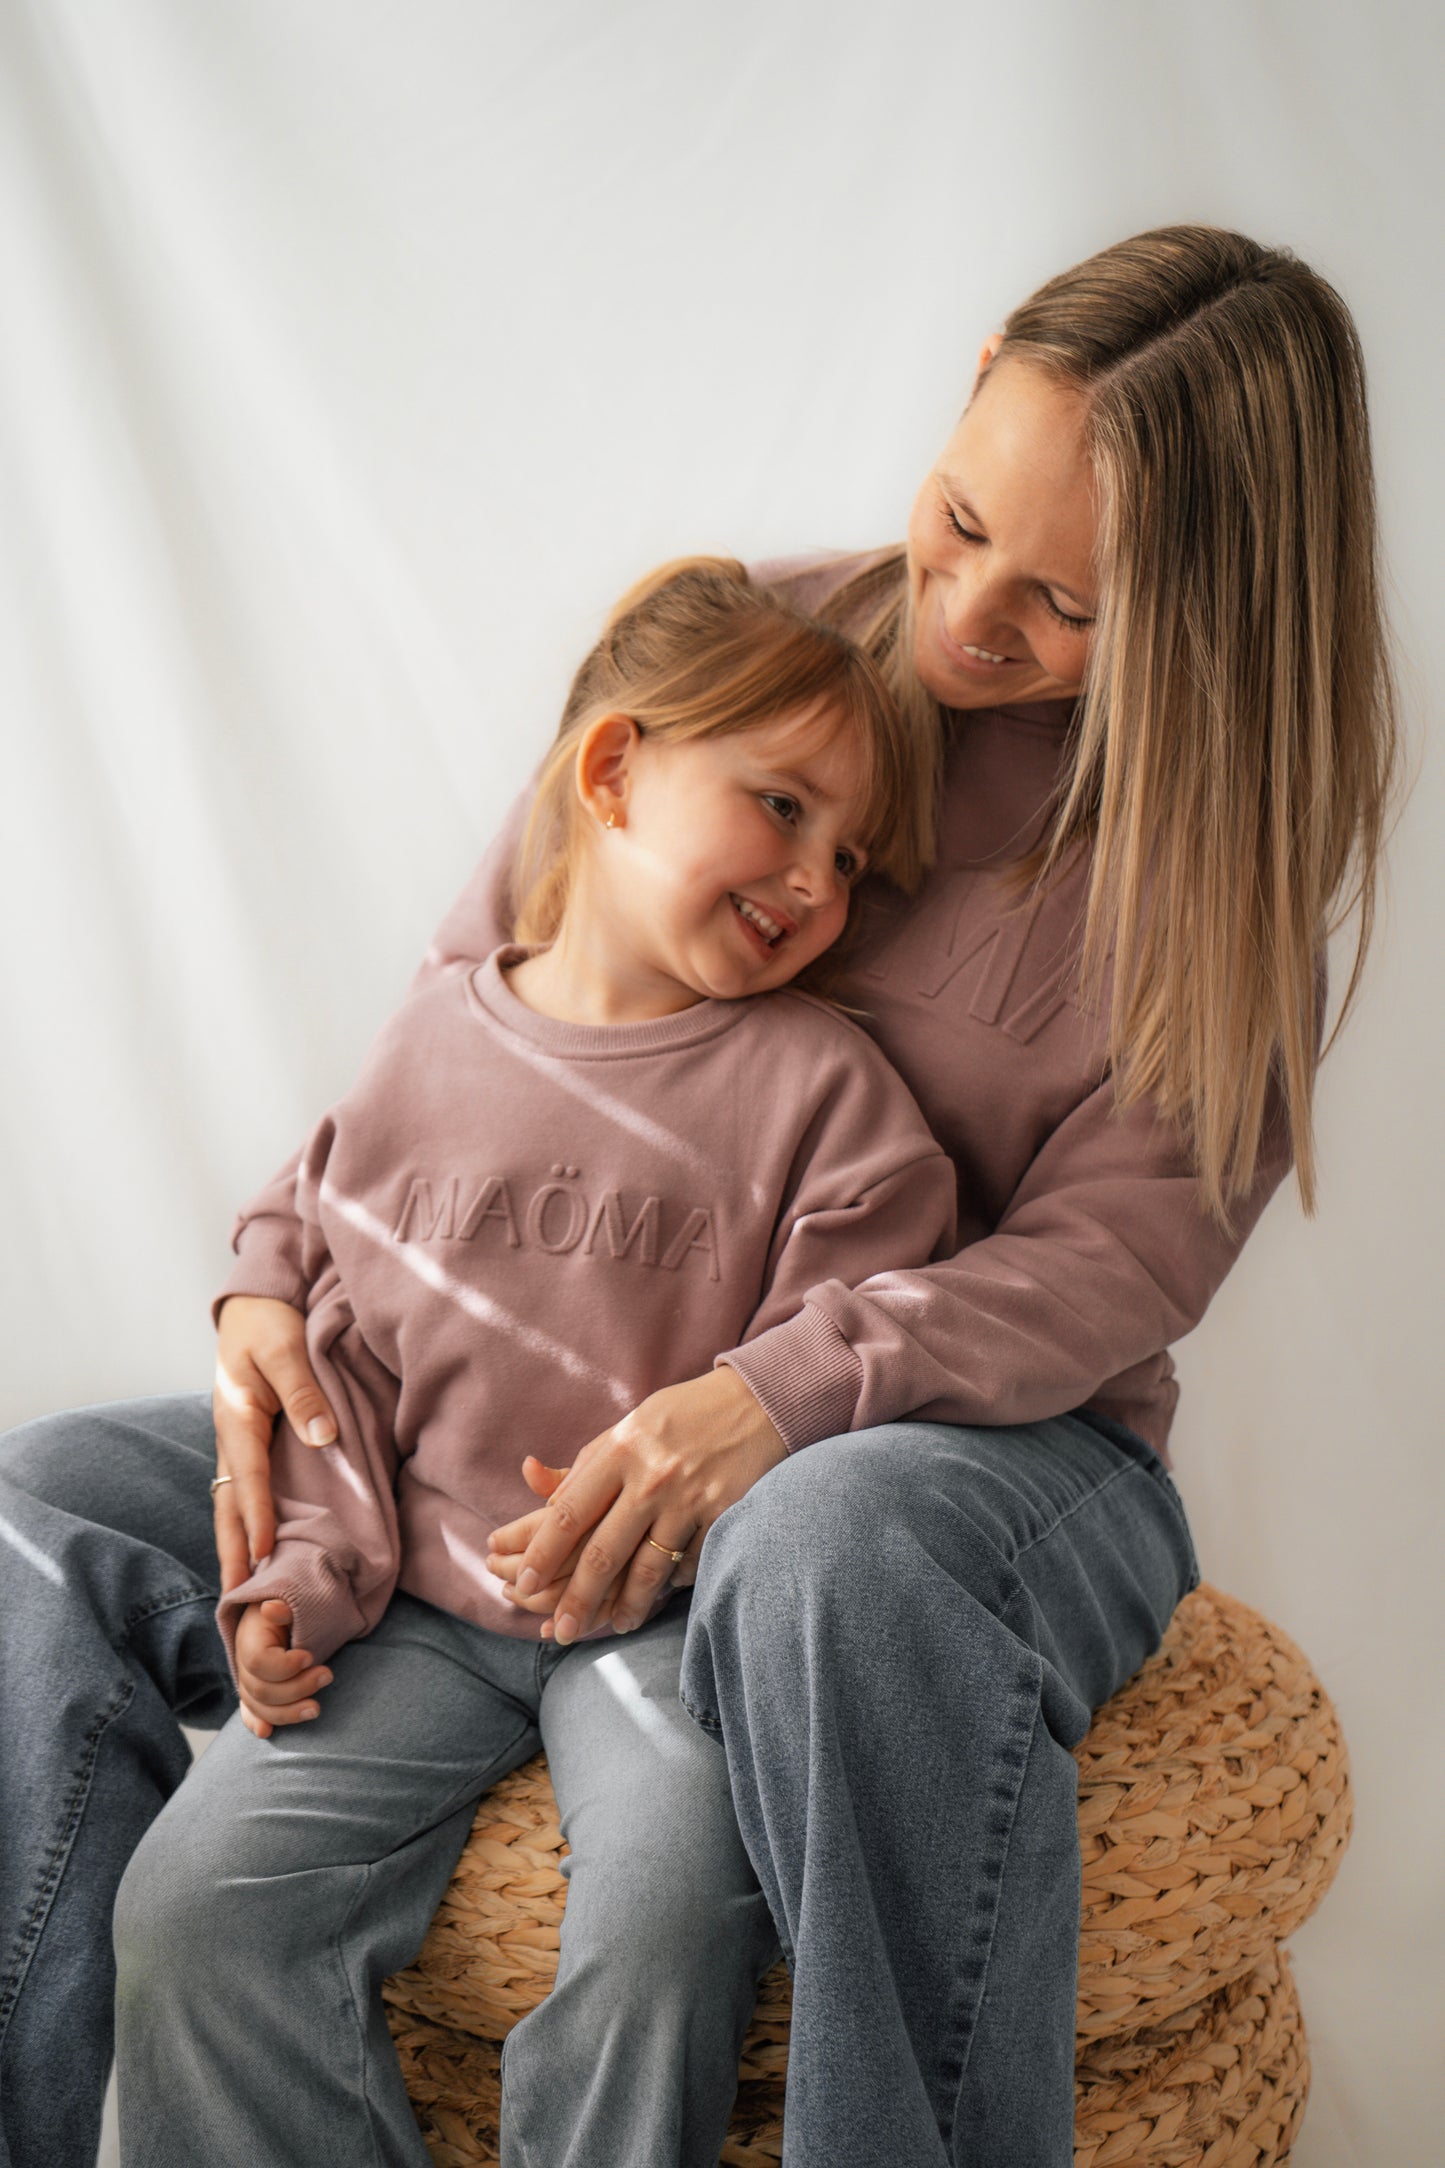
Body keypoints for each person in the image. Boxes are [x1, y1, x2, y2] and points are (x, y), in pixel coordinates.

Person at [0, 226, 1397, 2168]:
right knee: (39, 1500)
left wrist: (780, 1394)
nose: (963, 617)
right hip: (521, 1401)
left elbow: (1114, 1270)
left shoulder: (1198, 856)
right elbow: (467, 1024)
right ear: (975, 365)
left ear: (1206, 603)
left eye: (1066, 603)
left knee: (824, 1533)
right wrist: (265, 1290)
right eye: (960, 514)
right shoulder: (759, 656)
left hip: (974, 1451)